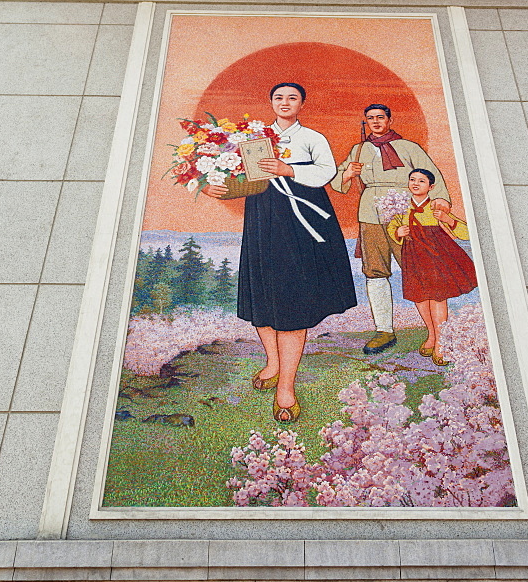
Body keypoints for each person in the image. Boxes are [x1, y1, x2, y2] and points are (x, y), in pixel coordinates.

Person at [203, 82, 356, 422]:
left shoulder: (312, 138)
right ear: (270, 102)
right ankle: (272, 362)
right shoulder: (253, 138)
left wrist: (289, 170)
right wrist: (218, 187)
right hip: (263, 215)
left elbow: (327, 171)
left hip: (302, 218)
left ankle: (286, 386)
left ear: (302, 103)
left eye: (292, 98)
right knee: (263, 291)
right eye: (279, 98)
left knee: (292, 299)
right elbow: (240, 177)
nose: (285, 103)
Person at [331, 103, 451, 355]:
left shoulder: (408, 148)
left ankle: (435, 334)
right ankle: (384, 329)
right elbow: (337, 182)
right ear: (366, 122)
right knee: (375, 271)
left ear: (389, 120)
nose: (375, 122)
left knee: (418, 268)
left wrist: (441, 200)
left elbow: (433, 176)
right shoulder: (359, 149)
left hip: (405, 212)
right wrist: (348, 174)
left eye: (380, 117)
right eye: (370, 118)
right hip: (370, 212)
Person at [387, 168, 478, 365]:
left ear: (431, 187)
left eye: (421, 181)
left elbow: (466, 231)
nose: (416, 183)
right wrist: (398, 232)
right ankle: (431, 334)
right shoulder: (402, 207)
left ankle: (441, 342)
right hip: (412, 255)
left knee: (437, 297)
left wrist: (448, 219)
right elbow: (392, 226)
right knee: (419, 296)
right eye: (412, 180)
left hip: (436, 256)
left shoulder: (436, 206)